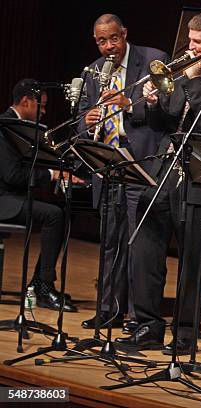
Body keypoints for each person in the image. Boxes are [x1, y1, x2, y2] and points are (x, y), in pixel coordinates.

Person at [115, 10, 201, 353]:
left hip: (198, 173)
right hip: (166, 168)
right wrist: (154, 103)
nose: (190, 47)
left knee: (192, 257)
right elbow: (170, 119)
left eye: (197, 42)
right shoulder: (185, 74)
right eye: (190, 40)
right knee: (144, 245)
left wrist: (196, 79)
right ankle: (147, 325)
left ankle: (185, 332)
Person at [78, 14, 168, 332]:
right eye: (101, 41)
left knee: (138, 244)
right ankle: (108, 310)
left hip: (141, 166)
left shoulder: (153, 60)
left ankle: (137, 316)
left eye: (113, 39)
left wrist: (129, 103)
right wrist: (86, 121)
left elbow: (167, 111)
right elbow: (80, 117)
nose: (108, 47)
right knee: (110, 243)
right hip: (107, 167)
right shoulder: (92, 71)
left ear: (124, 34)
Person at [0, 78, 81, 312]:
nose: (44, 112)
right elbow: (13, 175)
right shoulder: (5, 127)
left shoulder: (17, 126)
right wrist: (53, 175)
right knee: (54, 215)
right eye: (41, 106)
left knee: (64, 211)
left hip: (11, 196)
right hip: (4, 199)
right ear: (26, 101)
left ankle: (39, 282)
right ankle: (44, 286)